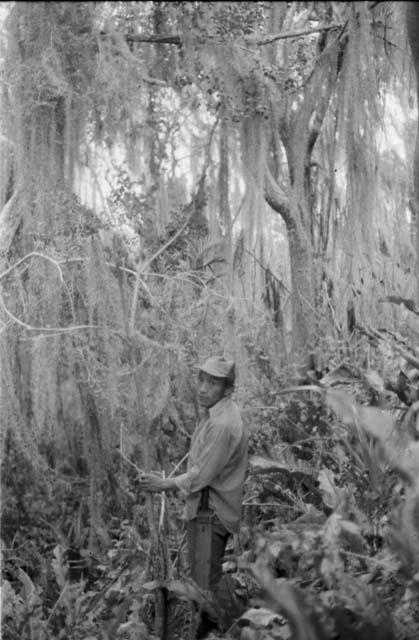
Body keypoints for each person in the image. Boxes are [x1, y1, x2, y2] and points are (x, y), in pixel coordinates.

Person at [138, 355, 248, 637]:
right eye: (201, 380)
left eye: (213, 383)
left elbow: (199, 477)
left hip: (209, 514)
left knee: (202, 589)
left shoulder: (222, 423)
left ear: (228, 389)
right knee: (205, 582)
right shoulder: (216, 414)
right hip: (207, 511)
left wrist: (163, 484)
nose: (202, 388)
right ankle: (222, 627)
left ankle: (226, 629)